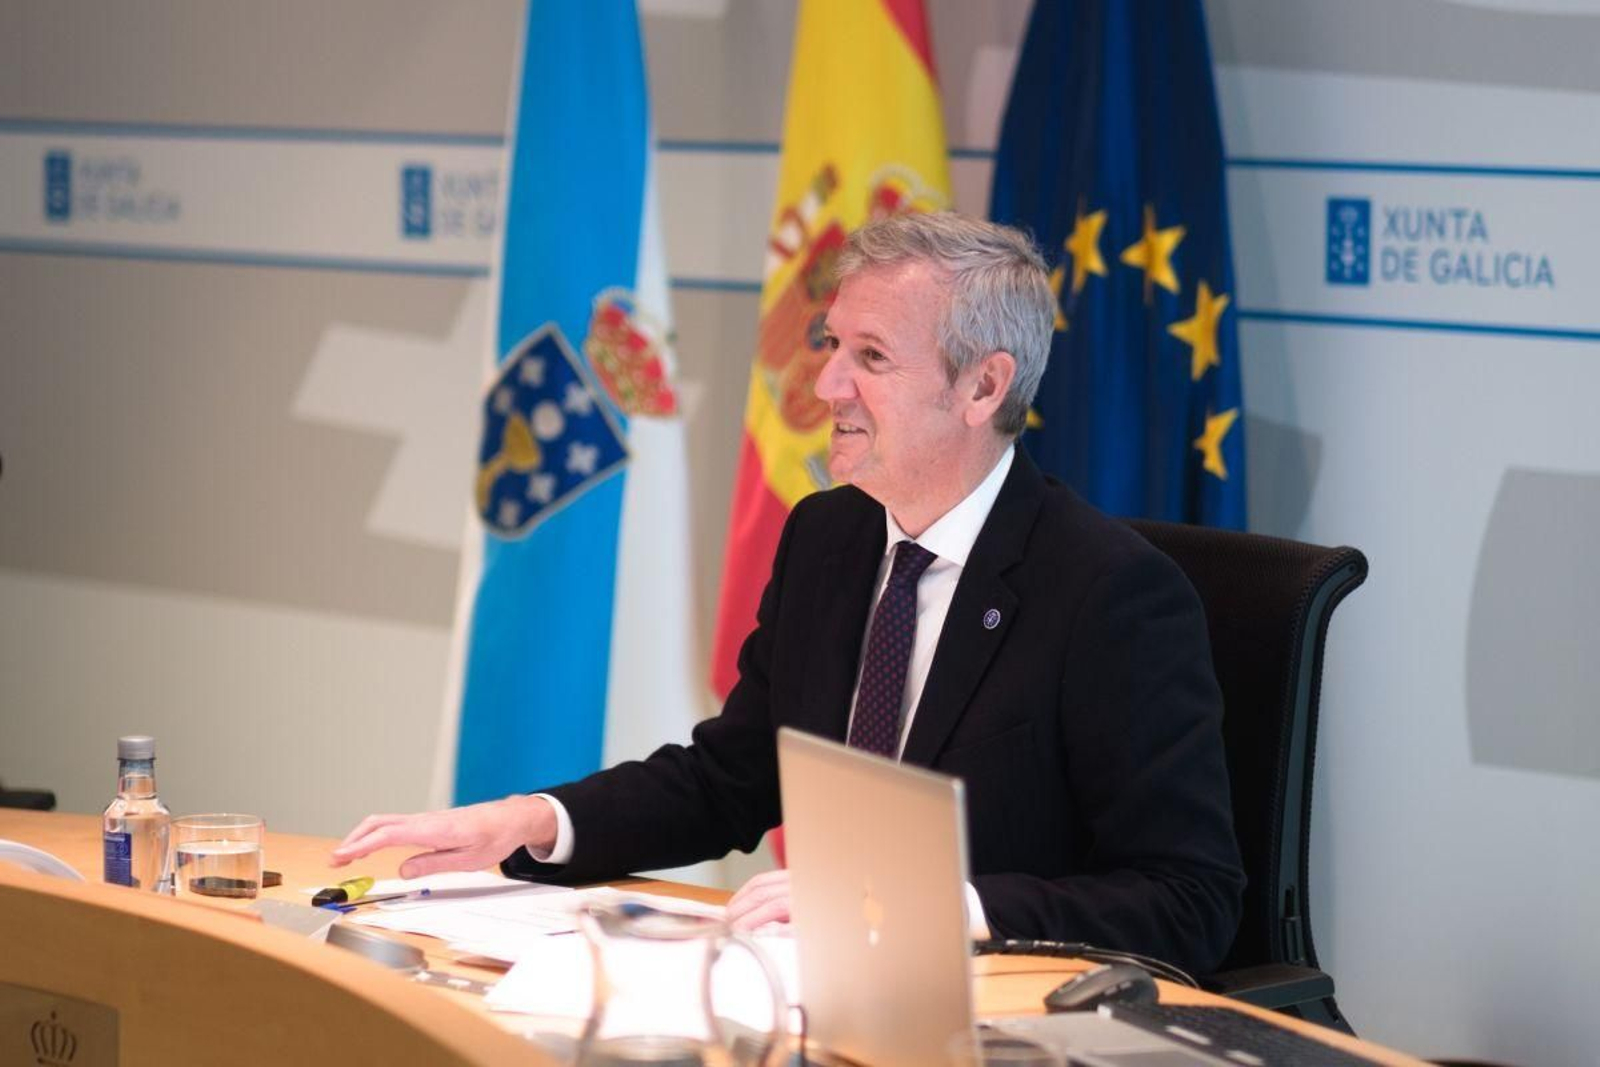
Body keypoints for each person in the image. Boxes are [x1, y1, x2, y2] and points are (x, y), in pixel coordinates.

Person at [334, 213, 1244, 974]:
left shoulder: (1111, 593)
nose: (824, 385)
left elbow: (1187, 898)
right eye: (831, 345)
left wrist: (932, 905)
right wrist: (537, 819)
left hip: (999, 1015)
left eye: (872, 358)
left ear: (983, 386)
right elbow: (734, 775)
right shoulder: (829, 537)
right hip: (817, 988)